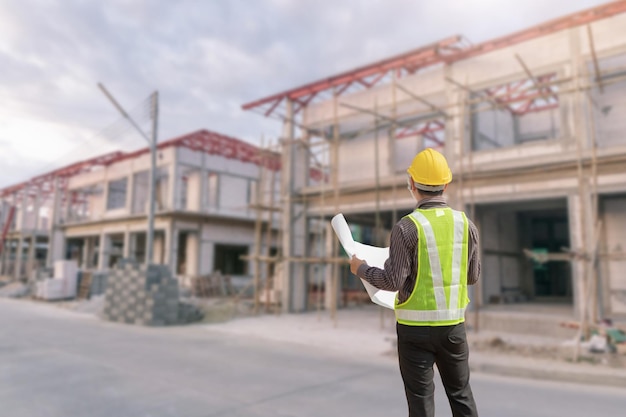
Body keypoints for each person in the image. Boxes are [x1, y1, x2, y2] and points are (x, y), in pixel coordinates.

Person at [349, 148, 480, 417]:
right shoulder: (466, 225)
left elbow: (392, 280)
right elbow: (472, 276)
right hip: (453, 329)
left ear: (411, 184)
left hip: (414, 331)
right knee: (461, 395)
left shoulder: (406, 227)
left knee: (420, 402)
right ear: (446, 184)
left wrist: (361, 268)